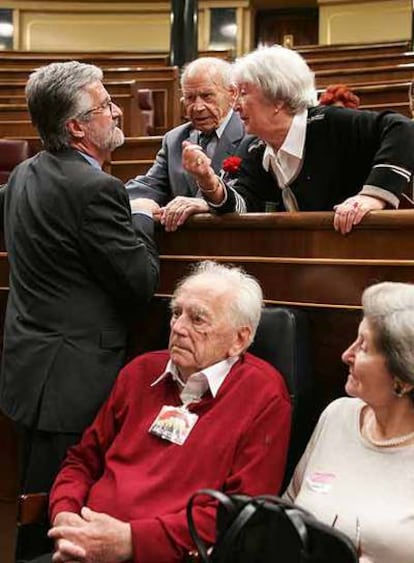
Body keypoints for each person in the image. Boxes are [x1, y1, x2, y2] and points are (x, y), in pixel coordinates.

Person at [36, 261, 291, 563]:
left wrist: (131, 541)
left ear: (239, 339)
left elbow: (239, 513)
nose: (178, 327)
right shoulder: (140, 372)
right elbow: (82, 460)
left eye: (198, 319)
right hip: (83, 544)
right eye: (176, 313)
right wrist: (66, 515)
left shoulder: (264, 396)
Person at [0, 61, 160, 501]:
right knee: (64, 505)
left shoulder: (24, 173)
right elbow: (141, 281)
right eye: (106, 105)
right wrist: (141, 214)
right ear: (76, 127)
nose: (116, 112)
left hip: (28, 373)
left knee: (34, 504)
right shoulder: (96, 189)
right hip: (73, 382)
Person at [182, 45, 414, 235]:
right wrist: (208, 181)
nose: (235, 105)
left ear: (278, 99)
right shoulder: (254, 147)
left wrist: (372, 196)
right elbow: (244, 204)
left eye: (244, 93)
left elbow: (403, 129)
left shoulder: (329, 122)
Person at [284, 281, 414, 563]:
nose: (346, 355)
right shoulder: (338, 415)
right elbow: (289, 507)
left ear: (402, 376)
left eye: (364, 347)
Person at [125, 57, 245, 232]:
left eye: (207, 96)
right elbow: (151, 185)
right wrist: (109, 198)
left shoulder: (251, 135)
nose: (197, 107)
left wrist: (207, 203)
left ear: (232, 93)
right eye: (190, 98)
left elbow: (250, 197)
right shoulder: (175, 139)